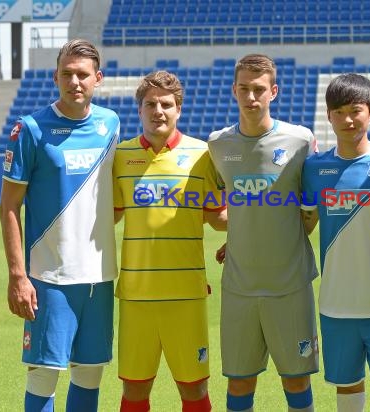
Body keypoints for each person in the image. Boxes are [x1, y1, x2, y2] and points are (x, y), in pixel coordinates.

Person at [0, 39, 120, 412]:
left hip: (99, 277)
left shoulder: (110, 124)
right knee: (44, 374)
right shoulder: (31, 130)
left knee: (89, 373)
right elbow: (8, 207)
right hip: (49, 276)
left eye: (82, 74)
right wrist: (18, 276)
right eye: (66, 74)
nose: (75, 82)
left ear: (97, 78)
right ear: (55, 77)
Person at [208, 54, 319, 412]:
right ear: (233, 91)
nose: (251, 97)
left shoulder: (301, 141)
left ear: (274, 91)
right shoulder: (218, 144)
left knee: (297, 379)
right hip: (239, 286)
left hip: (290, 284)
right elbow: (216, 209)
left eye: (259, 89)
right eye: (244, 89)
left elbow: (309, 210)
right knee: (239, 381)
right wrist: (239, 230)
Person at [113, 70, 227, 412]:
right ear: (140, 110)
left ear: (178, 109)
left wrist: (255, 228)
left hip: (186, 295)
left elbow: (218, 217)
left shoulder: (203, 155)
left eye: (166, 104)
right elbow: (107, 217)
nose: (158, 111)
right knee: (134, 391)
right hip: (136, 295)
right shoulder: (120, 156)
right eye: (150, 104)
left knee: (194, 391)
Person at [301, 73, 370, 412]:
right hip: (336, 304)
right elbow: (303, 224)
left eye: (355, 110)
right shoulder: (313, 169)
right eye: (338, 111)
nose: (347, 119)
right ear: (328, 115)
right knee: (347, 395)